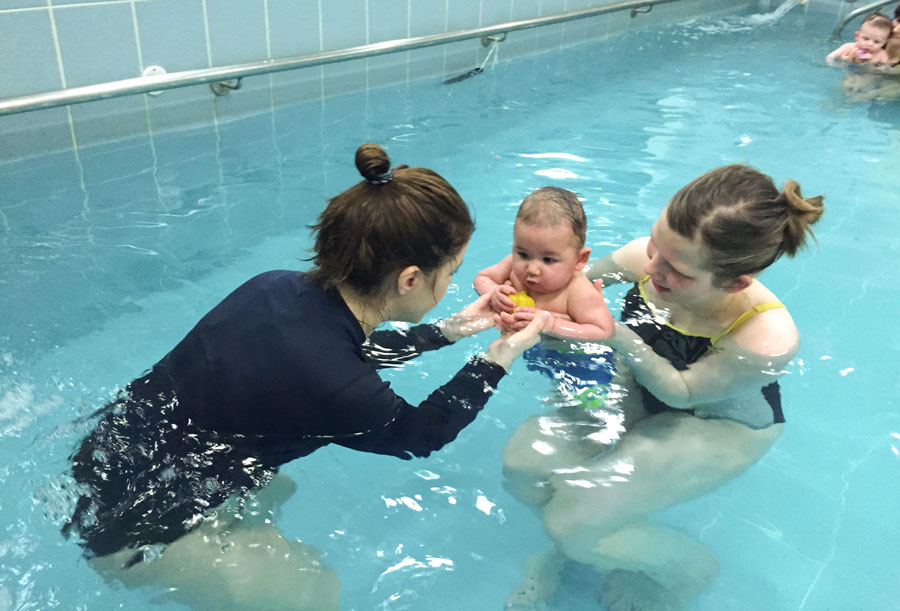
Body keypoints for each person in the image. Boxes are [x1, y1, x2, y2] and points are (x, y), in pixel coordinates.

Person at [63, 143, 551, 611]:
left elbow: (331, 360)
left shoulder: (273, 287)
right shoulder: (339, 386)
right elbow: (421, 434)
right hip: (137, 541)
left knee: (280, 488)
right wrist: (500, 355)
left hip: (99, 470)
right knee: (319, 589)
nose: (451, 284)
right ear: (409, 279)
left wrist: (451, 329)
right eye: (450, 272)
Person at [502, 165, 824, 610]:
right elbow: (568, 288)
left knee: (572, 518)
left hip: (716, 423)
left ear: (735, 282)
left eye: (677, 270)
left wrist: (615, 334)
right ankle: (588, 545)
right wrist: (516, 295)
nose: (651, 267)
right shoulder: (646, 258)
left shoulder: (765, 336)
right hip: (637, 381)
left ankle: (681, 565)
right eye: (656, 243)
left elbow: (682, 392)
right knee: (523, 468)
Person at [473, 186, 614, 342]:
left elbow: (604, 331)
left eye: (548, 260)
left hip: (565, 353)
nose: (532, 269)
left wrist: (551, 324)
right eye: (523, 254)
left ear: (579, 260)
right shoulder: (511, 265)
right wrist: (494, 293)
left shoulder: (577, 291)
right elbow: (482, 278)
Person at [825, 13, 892, 65]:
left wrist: (871, 66)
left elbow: (885, 69)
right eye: (866, 39)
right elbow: (831, 56)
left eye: (877, 41)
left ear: (885, 42)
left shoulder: (881, 54)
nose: (870, 44)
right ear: (857, 36)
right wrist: (834, 64)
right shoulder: (848, 47)